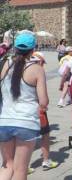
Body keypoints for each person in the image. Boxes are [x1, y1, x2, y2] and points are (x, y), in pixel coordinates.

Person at [0, 32, 49, 180]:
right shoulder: (37, 69)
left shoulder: (5, 64)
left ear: (15, 48)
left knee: (7, 165)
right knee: (20, 170)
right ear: (33, 50)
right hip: (26, 122)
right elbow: (44, 102)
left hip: (4, 121)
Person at [28, 52, 58, 174]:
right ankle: (46, 161)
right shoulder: (38, 72)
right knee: (45, 134)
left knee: (25, 138)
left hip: (20, 111)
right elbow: (43, 100)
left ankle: (23, 164)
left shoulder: (19, 69)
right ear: (39, 61)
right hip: (37, 110)